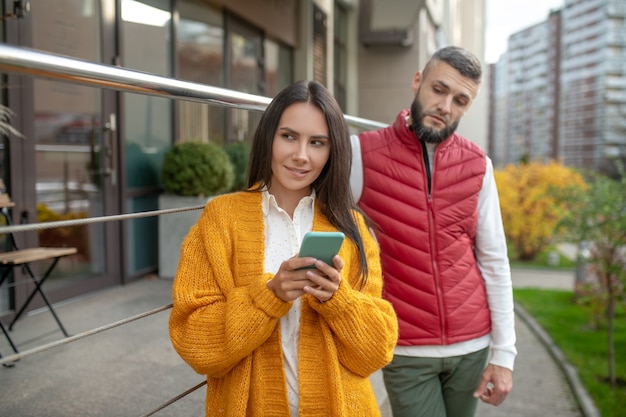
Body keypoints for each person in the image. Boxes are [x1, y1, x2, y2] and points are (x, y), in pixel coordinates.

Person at [169, 80, 398, 417]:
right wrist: (268, 296)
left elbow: (375, 353)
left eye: (317, 142)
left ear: (332, 151)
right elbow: (194, 341)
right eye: (289, 136)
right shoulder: (221, 218)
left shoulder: (352, 228)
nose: (301, 155)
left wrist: (339, 301)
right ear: (268, 137)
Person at [349, 46, 516, 417]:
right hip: (406, 347)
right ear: (417, 81)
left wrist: (504, 353)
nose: (446, 106)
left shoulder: (478, 165)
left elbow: (494, 260)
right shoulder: (360, 154)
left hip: (473, 346)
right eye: (439, 90)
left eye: (460, 100)